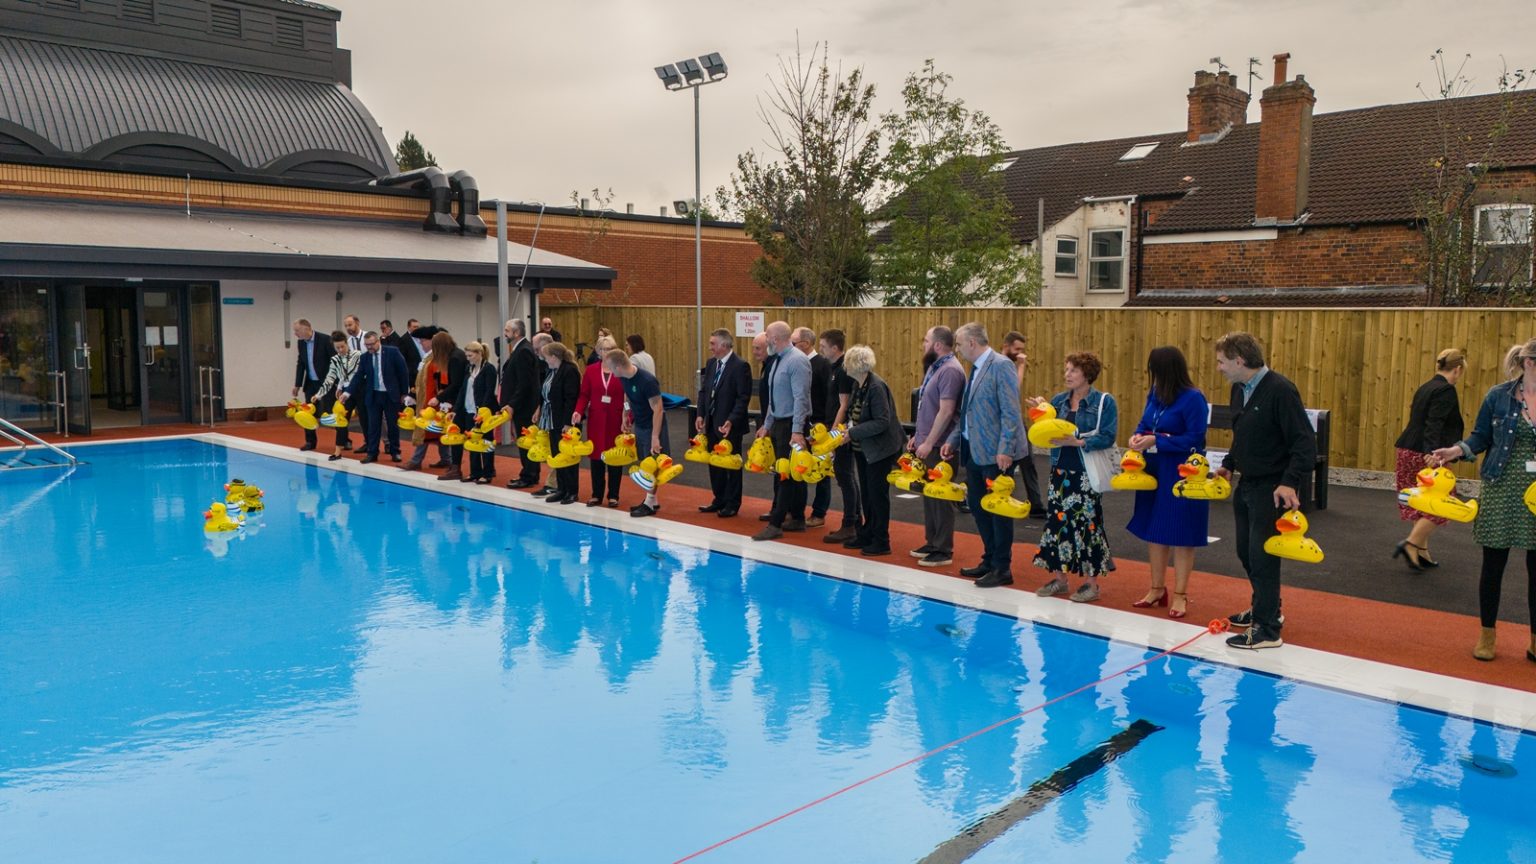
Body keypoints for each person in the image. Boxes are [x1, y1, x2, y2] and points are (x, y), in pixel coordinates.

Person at [1430, 339, 1536, 662]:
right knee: (1493, 565)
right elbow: (1480, 437)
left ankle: (1535, 641)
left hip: (1535, 494)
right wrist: (1455, 450)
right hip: (1500, 487)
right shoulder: (1498, 396)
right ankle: (1487, 635)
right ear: (1530, 363)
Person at [1214, 331, 1317, 650]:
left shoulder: (1280, 390)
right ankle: (1267, 608)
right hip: (1247, 484)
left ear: (1239, 360)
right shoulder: (1239, 389)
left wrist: (1289, 481)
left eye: (1221, 362)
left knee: (1263, 557)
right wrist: (1229, 463)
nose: (1218, 368)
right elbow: (1242, 434)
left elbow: (1304, 442)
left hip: (1271, 489)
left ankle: (1268, 630)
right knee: (1245, 552)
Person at [1124, 346, 1209, 618]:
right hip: (1155, 467)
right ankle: (1156, 589)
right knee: (1155, 529)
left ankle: (1181, 595)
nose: (1153, 376)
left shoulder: (1193, 398)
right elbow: (1144, 423)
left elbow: (1195, 438)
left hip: (1183, 471)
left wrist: (1158, 440)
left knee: (1182, 532)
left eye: (1156, 370)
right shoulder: (1155, 393)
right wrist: (1137, 437)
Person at [942, 322, 1025, 587]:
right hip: (974, 451)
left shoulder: (1001, 366)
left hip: (995, 454)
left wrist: (1005, 448)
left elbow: (1011, 411)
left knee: (998, 512)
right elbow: (968, 413)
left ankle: (1002, 567)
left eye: (958, 344)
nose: (957, 349)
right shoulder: (976, 369)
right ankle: (990, 559)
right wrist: (953, 440)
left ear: (972, 343)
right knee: (978, 508)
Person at [1031, 352, 1118, 602]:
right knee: (1057, 524)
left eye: (1073, 370)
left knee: (1087, 525)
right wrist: (1043, 411)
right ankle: (1060, 579)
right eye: (1066, 369)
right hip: (1060, 470)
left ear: (1087, 374)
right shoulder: (1058, 401)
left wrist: (1078, 442)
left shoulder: (1104, 402)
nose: (1067, 374)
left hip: (1086, 472)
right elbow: (1047, 430)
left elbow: (1108, 436)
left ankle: (1091, 585)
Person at [1394, 349, 1467, 569]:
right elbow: (1434, 423)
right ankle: (1411, 544)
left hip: (1406, 450)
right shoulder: (1446, 390)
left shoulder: (1425, 387)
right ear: (1457, 369)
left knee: (1420, 503)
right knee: (1443, 503)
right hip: (1425, 454)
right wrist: (1432, 453)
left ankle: (1421, 551)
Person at [909, 325, 966, 567]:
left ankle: (943, 548)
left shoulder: (950, 370)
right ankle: (932, 542)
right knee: (929, 494)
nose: (923, 345)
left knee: (940, 496)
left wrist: (930, 441)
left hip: (941, 445)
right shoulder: (936, 367)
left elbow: (946, 411)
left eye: (926, 341)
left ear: (938, 345)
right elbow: (927, 405)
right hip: (928, 441)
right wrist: (918, 436)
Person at [753, 321, 812, 541]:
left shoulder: (797, 361)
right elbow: (774, 399)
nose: (766, 339)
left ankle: (776, 523)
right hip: (780, 422)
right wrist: (767, 425)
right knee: (787, 472)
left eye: (767, 336)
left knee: (785, 473)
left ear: (775, 339)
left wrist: (797, 431)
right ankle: (797, 517)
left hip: (791, 424)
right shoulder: (777, 360)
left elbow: (801, 398)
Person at [843, 345, 905, 556]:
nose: (845, 366)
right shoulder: (859, 385)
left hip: (879, 450)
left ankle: (881, 540)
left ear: (855, 365)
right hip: (863, 448)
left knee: (878, 496)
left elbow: (882, 421)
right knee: (867, 494)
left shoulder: (876, 387)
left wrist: (853, 432)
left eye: (848, 362)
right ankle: (867, 533)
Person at [606, 348, 669, 517]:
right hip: (640, 424)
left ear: (619, 367)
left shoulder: (647, 381)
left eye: (611, 368)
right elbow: (627, 396)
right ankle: (653, 500)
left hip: (653, 425)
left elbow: (658, 409)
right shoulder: (624, 377)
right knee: (644, 462)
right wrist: (625, 415)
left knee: (652, 464)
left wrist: (655, 436)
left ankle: (649, 502)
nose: (610, 371)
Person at [695, 328, 751, 517]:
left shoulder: (740, 366)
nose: (710, 347)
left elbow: (743, 398)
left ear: (724, 345)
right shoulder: (712, 363)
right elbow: (704, 391)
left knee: (731, 465)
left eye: (713, 344)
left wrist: (731, 420)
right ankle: (719, 498)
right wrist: (700, 414)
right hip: (712, 422)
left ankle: (733, 503)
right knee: (714, 463)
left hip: (730, 426)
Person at [819, 329, 861, 544]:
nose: (820, 351)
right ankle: (854, 522)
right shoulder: (834, 368)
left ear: (835, 348)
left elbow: (844, 405)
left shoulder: (843, 370)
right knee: (845, 476)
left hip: (842, 431)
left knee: (845, 476)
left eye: (823, 347)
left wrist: (833, 434)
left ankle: (850, 523)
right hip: (837, 427)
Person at [403, 331, 467, 475]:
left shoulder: (452, 358)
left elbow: (454, 383)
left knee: (435, 429)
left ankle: (421, 461)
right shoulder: (449, 356)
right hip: (442, 398)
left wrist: (439, 398)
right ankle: (448, 460)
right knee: (441, 430)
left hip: (445, 400)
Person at [574, 335, 627, 507]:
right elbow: (584, 395)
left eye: (610, 349)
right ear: (598, 351)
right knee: (596, 457)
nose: (606, 352)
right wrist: (578, 411)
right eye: (603, 349)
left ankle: (613, 495)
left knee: (614, 457)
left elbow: (628, 397)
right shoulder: (590, 370)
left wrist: (628, 416)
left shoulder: (621, 370)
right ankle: (596, 494)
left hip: (616, 420)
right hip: (596, 420)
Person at [341, 331, 408, 463]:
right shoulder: (365, 357)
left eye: (371, 344)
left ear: (378, 341)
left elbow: (403, 372)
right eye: (367, 345)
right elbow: (358, 376)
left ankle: (395, 451)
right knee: (373, 426)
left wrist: (404, 393)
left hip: (390, 395)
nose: (369, 347)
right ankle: (372, 453)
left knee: (392, 425)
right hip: (373, 395)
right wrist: (347, 393)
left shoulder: (393, 352)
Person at [1001, 330, 1048, 516]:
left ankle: (1035, 505)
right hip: (1006, 422)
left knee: (1026, 462)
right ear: (1006, 347)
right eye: (1017, 349)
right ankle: (995, 498)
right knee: (1005, 466)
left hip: (1015, 420)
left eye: (1022, 349)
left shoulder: (1006, 364)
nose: (1020, 353)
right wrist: (1021, 366)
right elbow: (1014, 390)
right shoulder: (1002, 364)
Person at [795, 326, 833, 528]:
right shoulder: (796, 363)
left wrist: (826, 425)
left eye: (795, 343)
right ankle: (796, 509)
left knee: (821, 471)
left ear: (806, 344)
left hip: (819, 425)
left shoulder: (822, 365)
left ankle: (819, 512)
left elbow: (829, 397)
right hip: (801, 423)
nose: (792, 347)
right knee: (798, 465)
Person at [538, 342, 583, 504]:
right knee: (558, 455)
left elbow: (571, 398)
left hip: (565, 421)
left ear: (554, 357)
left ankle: (572, 491)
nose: (544, 360)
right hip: (552, 419)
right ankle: (561, 488)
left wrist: (568, 423)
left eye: (546, 357)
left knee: (568, 456)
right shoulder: (552, 371)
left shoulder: (569, 370)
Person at [501, 319, 543, 490]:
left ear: (516, 333)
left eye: (507, 331)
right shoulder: (520, 349)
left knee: (526, 441)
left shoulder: (524, 351)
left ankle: (529, 475)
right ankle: (530, 473)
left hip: (524, 406)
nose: (504, 334)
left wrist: (512, 404)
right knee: (525, 441)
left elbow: (524, 383)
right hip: (523, 405)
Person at [454, 341, 499, 485]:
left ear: (479, 354)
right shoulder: (469, 368)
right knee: (472, 440)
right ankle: (475, 471)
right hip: (469, 410)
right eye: (467, 356)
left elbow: (489, 392)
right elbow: (463, 390)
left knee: (485, 441)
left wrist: (482, 411)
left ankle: (488, 472)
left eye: (470, 355)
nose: (468, 358)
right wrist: (456, 409)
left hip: (483, 412)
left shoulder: (489, 369)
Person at [290, 318, 335, 452]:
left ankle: (344, 440)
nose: (295, 334)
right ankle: (310, 441)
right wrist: (297, 384)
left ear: (306, 328)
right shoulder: (301, 343)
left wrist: (335, 382)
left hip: (326, 383)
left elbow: (335, 361)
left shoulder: (325, 339)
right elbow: (301, 363)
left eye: (297, 330)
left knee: (332, 412)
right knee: (308, 412)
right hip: (310, 383)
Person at [317, 329, 360, 461]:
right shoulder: (335, 359)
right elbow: (330, 378)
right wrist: (319, 394)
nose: (340, 349)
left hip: (360, 390)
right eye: (337, 348)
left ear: (347, 343)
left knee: (366, 421)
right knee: (340, 421)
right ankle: (337, 451)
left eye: (342, 346)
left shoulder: (357, 355)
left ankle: (371, 449)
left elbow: (359, 374)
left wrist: (343, 386)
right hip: (345, 394)